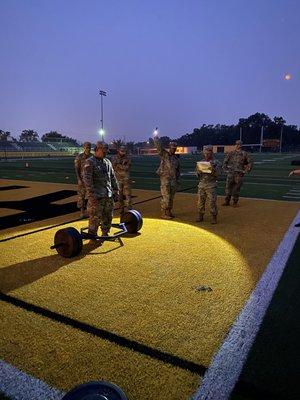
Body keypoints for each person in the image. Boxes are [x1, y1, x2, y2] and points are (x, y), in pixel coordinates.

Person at [83, 142, 119, 242]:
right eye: (104, 151)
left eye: (106, 151)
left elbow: (112, 177)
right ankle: (92, 237)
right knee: (95, 218)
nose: (105, 153)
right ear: (97, 149)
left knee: (108, 216)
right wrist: (91, 195)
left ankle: (105, 233)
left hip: (108, 194)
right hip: (96, 196)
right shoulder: (89, 162)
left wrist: (116, 190)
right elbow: (87, 180)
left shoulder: (107, 162)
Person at [154, 136, 180, 219]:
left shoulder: (176, 158)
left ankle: (169, 211)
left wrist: (177, 180)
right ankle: (164, 213)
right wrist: (156, 139)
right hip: (165, 179)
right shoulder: (164, 154)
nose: (174, 149)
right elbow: (159, 148)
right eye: (172, 148)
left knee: (171, 197)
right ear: (170, 148)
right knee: (166, 196)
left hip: (173, 180)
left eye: (175, 148)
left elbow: (177, 170)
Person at [196, 145, 222, 224]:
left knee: (212, 202)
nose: (207, 155)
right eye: (205, 153)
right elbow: (197, 175)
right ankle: (200, 216)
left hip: (211, 185)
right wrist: (199, 171)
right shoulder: (201, 162)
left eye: (208, 153)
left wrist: (212, 169)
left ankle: (214, 217)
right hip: (202, 185)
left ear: (212, 153)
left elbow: (218, 174)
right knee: (200, 202)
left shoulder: (216, 162)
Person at [222, 140, 252, 207]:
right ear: (235, 145)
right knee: (228, 188)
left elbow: (250, 162)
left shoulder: (244, 154)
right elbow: (225, 162)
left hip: (239, 174)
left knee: (236, 189)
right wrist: (225, 169)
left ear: (241, 145)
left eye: (239, 144)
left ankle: (235, 202)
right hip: (231, 174)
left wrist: (246, 170)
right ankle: (227, 201)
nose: (238, 145)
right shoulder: (231, 153)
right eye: (237, 144)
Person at [112, 145, 132, 214]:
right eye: (122, 151)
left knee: (128, 194)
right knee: (119, 195)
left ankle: (129, 208)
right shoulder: (114, 157)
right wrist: (122, 165)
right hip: (118, 179)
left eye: (124, 151)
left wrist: (118, 165)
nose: (123, 153)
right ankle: (121, 208)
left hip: (126, 178)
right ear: (119, 150)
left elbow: (127, 167)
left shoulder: (128, 157)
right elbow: (114, 167)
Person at [74, 142, 92, 217]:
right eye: (86, 147)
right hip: (82, 179)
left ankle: (89, 211)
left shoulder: (92, 157)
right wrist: (79, 179)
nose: (88, 148)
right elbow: (77, 169)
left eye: (89, 147)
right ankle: (82, 211)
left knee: (91, 196)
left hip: (90, 180)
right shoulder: (79, 157)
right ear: (84, 148)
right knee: (81, 196)